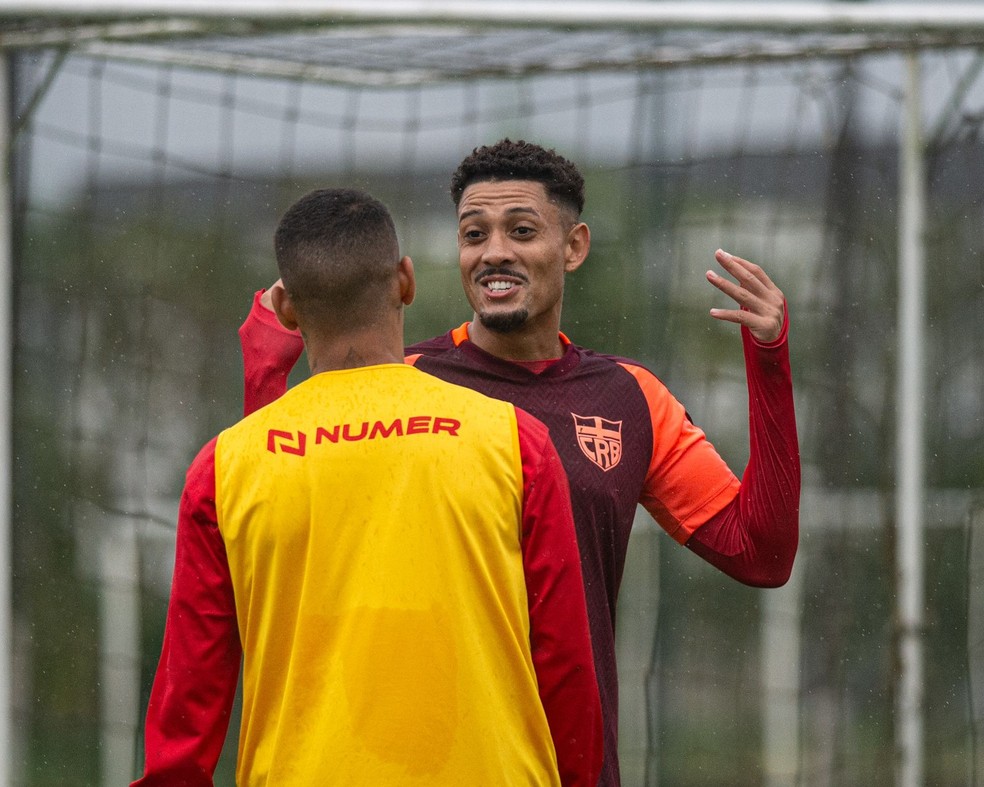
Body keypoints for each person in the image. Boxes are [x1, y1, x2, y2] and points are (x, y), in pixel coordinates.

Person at [239, 140, 800, 786]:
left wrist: (769, 359)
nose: (494, 251)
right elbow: (281, 522)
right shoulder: (403, 382)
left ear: (574, 246)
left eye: (522, 230)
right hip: (418, 761)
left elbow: (761, 551)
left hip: (570, 768)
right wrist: (269, 363)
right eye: (474, 233)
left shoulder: (630, 399)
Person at [133, 187, 603, 786]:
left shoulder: (225, 468)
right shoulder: (516, 442)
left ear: (288, 311)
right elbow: (565, 668)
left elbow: (188, 709)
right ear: (405, 281)